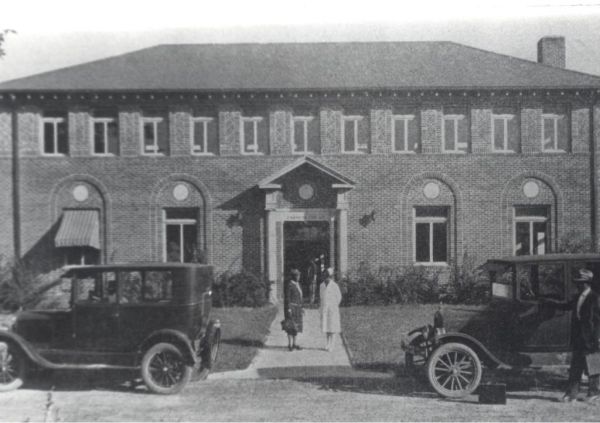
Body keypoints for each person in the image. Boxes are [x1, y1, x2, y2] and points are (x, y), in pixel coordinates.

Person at [542, 268, 600, 402]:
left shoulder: (595, 298)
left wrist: (597, 338)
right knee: (576, 367)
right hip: (579, 338)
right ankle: (571, 394)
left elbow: (598, 321)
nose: (577, 285)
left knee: (593, 366)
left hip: (591, 338)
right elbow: (566, 306)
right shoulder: (577, 297)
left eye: (580, 283)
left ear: (586, 283)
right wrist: (549, 302)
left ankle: (593, 393)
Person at [319, 267, 342, 352]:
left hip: (332, 309)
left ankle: (332, 344)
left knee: (332, 327)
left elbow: (339, 297)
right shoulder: (321, 285)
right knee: (326, 327)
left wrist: (334, 305)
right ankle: (327, 343)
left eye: (327, 277)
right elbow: (321, 297)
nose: (326, 279)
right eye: (324, 277)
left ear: (330, 277)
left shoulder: (334, 286)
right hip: (325, 309)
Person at [284, 268, 304, 351]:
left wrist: (302, 307)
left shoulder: (298, 284)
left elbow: (300, 297)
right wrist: (289, 308)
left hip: (298, 308)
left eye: (299, 275)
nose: (299, 277)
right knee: (290, 326)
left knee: (296, 326)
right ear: (293, 276)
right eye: (297, 275)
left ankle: (294, 344)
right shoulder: (290, 285)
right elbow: (287, 298)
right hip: (291, 308)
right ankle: (289, 344)